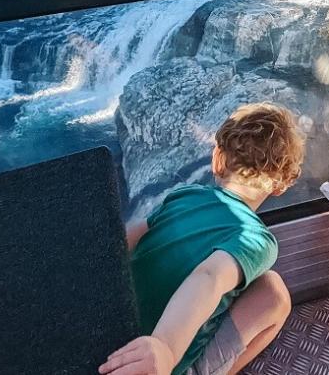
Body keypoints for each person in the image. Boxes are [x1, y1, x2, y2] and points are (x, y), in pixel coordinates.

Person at [100, 103, 307, 375]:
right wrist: (165, 347)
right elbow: (210, 276)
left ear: (218, 160)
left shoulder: (185, 195)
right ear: (282, 185)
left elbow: (125, 240)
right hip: (158, 364)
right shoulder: (256, 239)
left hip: (108, 338)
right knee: (274, 294)